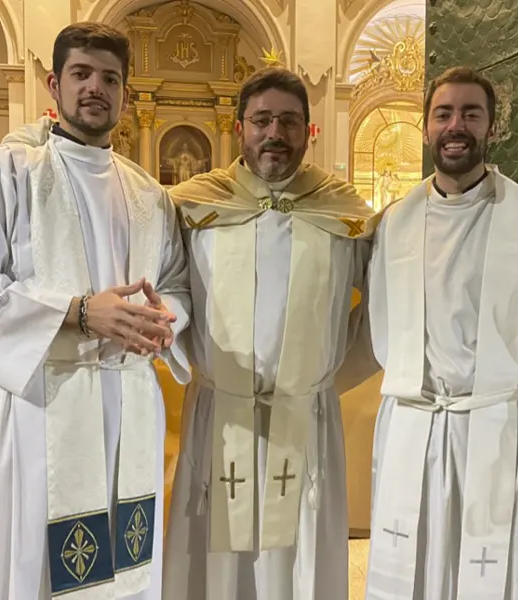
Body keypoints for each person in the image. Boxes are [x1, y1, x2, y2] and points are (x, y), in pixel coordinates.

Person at [0, 22, 191, 600]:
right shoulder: (6, 172)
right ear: (54, 83)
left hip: (126, 402)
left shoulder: (150, 195)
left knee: (126, 564)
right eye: (81, 74)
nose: (96, 87)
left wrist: (164, 320)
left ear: (126, 92)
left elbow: (177, 285)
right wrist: (76, 312)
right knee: (39, 565)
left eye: (110, 78)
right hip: (44, 402)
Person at [364, 66, 518, 600]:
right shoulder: (393, 223)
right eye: (444, 113)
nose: (457, 125)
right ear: (426, 128)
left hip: (504, 432)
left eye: (471, 114)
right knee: (414, 573)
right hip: (414, 430)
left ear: (492, 127)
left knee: (503, 577)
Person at [162, 67, 381, 600]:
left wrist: (322, 379)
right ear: (240, 128)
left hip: (305, 416)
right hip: (221, 412)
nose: (274, 134)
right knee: (218, 563)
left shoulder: (345, 214)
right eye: (261, 120)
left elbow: (381, 306)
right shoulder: (194, 207)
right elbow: (173, 289)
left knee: (298, 556)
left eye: (289, 121)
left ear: (310, 130)